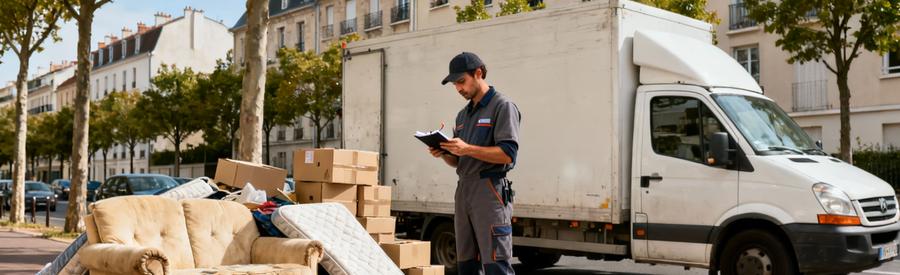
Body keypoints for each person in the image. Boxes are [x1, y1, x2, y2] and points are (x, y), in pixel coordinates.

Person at [428, 52, 521, 275]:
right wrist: (443, 153)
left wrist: (467, 148)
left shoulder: (502, 106)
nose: (458, 88)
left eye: (461, 81)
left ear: (478, 73)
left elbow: (508, 154)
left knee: (495, 265)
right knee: (466, 265)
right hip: (464, 190)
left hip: (489, 191)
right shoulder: (463, 115)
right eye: (454, 84)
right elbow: (459, 160)